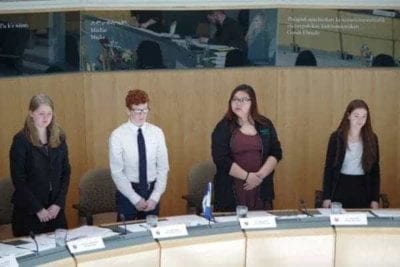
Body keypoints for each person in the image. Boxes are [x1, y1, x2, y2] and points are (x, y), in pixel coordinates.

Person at [211, 84, 282, 212]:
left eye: (244, 100)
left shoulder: (265, 124)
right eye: (235, 99)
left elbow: (276, 152)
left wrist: (259, 176)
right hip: (232, 188)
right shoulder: (223, 127)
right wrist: (247, 177)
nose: (238, 103)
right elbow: (221, 159)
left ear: (252, 103)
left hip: (261, 186)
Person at [9, 94, 71, 237]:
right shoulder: (21, 140)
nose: (45, 118)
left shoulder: (59, 137)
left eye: (49, 113)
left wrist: (58, 204)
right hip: (29, 212)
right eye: (41, 113)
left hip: (55, 210)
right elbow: (19, 180)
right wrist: (38, 209)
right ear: (31, 113)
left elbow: (66, 172)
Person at [109, 89, 169, 221]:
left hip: (151, 189)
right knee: (127, 236)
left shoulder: (157, 133)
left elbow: (163, 167)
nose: (142, 115)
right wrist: (134, 198)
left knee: (151, 234)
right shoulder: (118, 135)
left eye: (145, 109)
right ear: (128, 111)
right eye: (137, 110)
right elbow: (117, 172)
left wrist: (155, 196)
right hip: (128, 191)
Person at [322, 99, 380, 209]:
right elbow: (328, 168)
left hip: (363, 188)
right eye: (356, 116)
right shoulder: (336, 137)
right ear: (348, 116)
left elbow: (375, 171)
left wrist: (375, 199)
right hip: (340, 186)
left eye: (364, 116)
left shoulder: (372, 138)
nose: (360, 120)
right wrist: (326, 197)